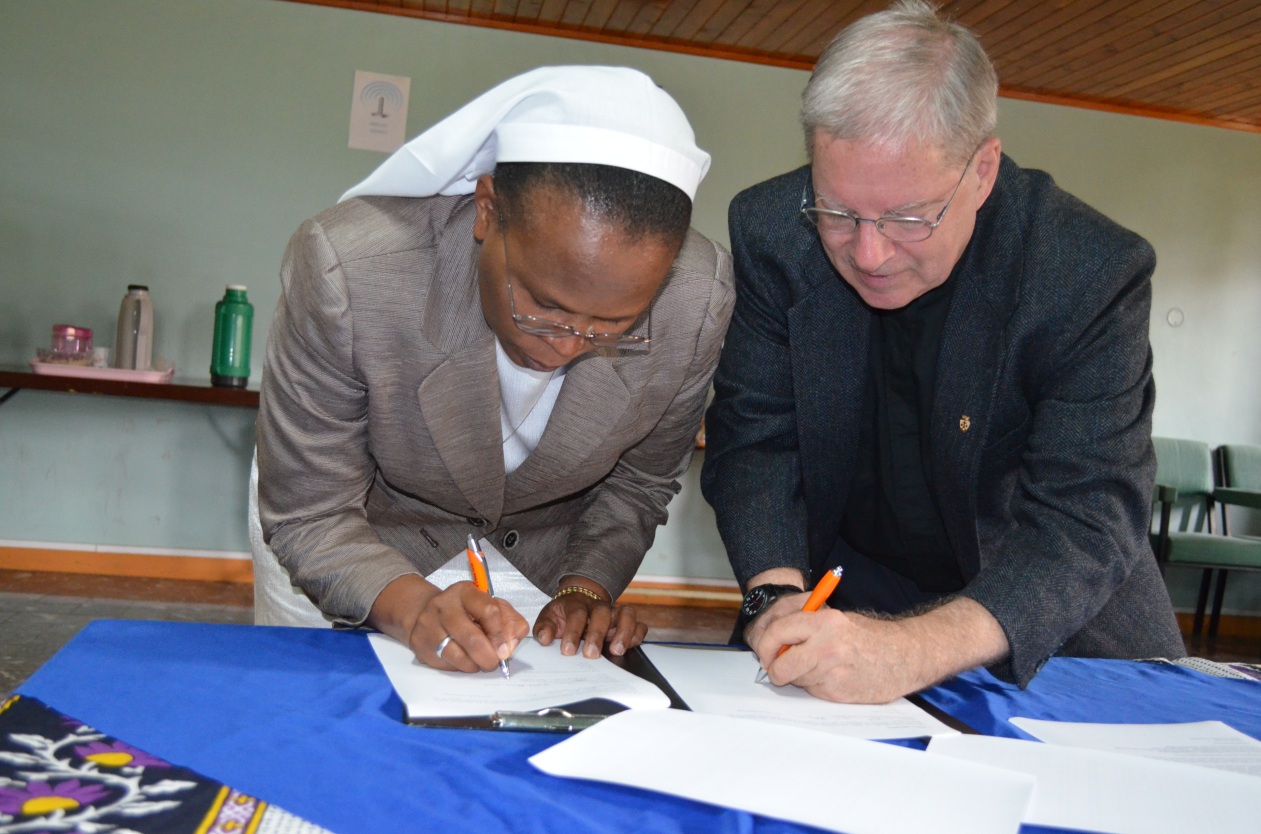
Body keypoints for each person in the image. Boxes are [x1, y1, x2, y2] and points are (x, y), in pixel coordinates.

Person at [701, 0, 1184, 705]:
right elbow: (756, 436)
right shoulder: (773, 229)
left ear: (981, 171)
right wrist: (772, 595)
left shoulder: (1084, 270)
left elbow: (1085, 515)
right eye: (836, 211)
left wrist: (913, 650)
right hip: (845, 586)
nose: (867, 253)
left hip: (1040, 601)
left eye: (907, 217)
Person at [253, 66, 734, 675]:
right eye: (543, 305)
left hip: (538, 555)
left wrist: (585, 588)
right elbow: (311, 512)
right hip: (355, 536)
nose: (566, 345)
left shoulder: (698, 300)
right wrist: (413, 608)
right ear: (486, 211)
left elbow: (639, 483)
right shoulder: (351, 271)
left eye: (614, 323)